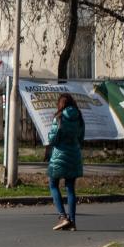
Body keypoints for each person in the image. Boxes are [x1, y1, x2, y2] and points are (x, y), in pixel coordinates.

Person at [47, 93, 86, 231]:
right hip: (74, 155)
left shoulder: (59, 118)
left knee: (53, 184)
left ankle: (63, 217)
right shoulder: (79, 118)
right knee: (70, 188)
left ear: (61, 104)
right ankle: (73, 222)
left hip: (59, 156)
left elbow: (52, 139)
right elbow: (81, 138)